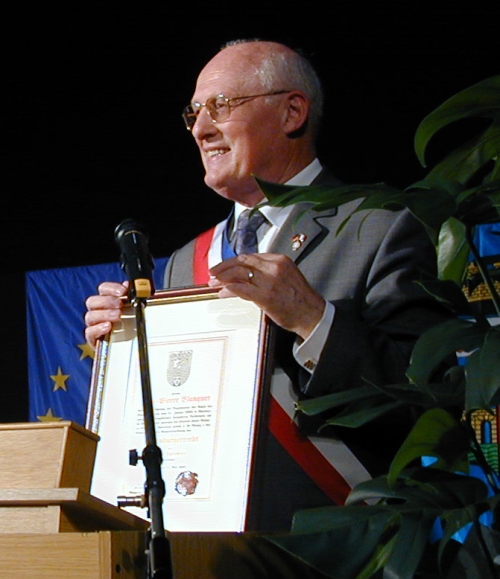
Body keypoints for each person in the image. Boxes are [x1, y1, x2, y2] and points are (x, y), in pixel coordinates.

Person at [85, 39, 452, 535]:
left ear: (292, 111)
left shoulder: (381, 227)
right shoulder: (179, 265)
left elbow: (429, 405)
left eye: (221, 106)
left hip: (338, 549)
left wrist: (311, 319)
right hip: (202, 546)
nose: (200, 129)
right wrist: (125, 355)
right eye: (194, 112)